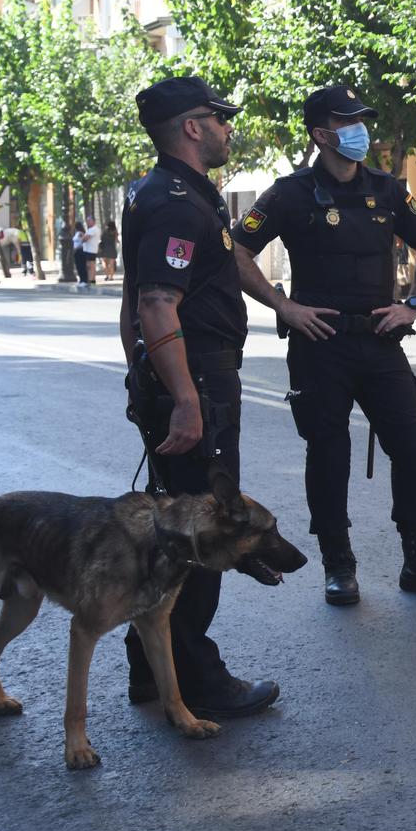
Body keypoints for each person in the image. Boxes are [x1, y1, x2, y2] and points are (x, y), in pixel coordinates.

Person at [231, 85, 416, 607]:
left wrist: (414, 304)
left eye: (361, 119)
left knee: (414, 448)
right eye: (348, 120)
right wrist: (283, 306)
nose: (361, 128)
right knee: (329, 454)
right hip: (320, 347)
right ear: (321, 133)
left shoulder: (387, 189)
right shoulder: (289, 193)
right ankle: (338, 565)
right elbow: (237, 250)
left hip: (381, 341)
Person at [119, 74, 280, 719]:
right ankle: (196, 678)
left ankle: (148, 670)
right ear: (192, 126)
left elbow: (136, 298)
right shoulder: (179, 203)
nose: (226, 127)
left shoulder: (154, 192)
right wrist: (184, 397)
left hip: (176, 373)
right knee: (201, 534)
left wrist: (142, 374)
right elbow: (158, 302)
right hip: (199, 378)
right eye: (218, 118)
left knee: (166, 528)